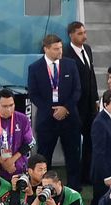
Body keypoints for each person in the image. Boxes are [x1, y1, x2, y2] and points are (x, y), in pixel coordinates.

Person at [28, 34, 82, 191]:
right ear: (46, 49)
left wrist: (65, 108)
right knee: (44, 157)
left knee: (73, 155)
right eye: (56, 48)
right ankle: (44, 187)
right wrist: (51, 110)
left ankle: (74, 189)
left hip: (69, 118)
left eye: (61, 48)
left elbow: (77, 90)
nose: (60, 51)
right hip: (47, 120)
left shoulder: (70, 65)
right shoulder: (35, 68)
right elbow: (33, 93)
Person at [67, 21, 98, 186]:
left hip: (90, 105)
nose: (84, 36)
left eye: (84, 32)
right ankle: (75, 178)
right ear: (71, 35)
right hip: (75, 106)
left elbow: (91, 75)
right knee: (74, 144)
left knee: (89, 142)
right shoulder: (65, 53)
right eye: (80, 33)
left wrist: (96, 99)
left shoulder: (88, 49)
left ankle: (88, 175)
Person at [0, 90, 35, 184]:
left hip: (18, 169)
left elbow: (30, 142)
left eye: (11, 105)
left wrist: (11, 161)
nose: (9, 109)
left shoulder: (23, 119)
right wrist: (3, 162)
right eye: (5, 106)